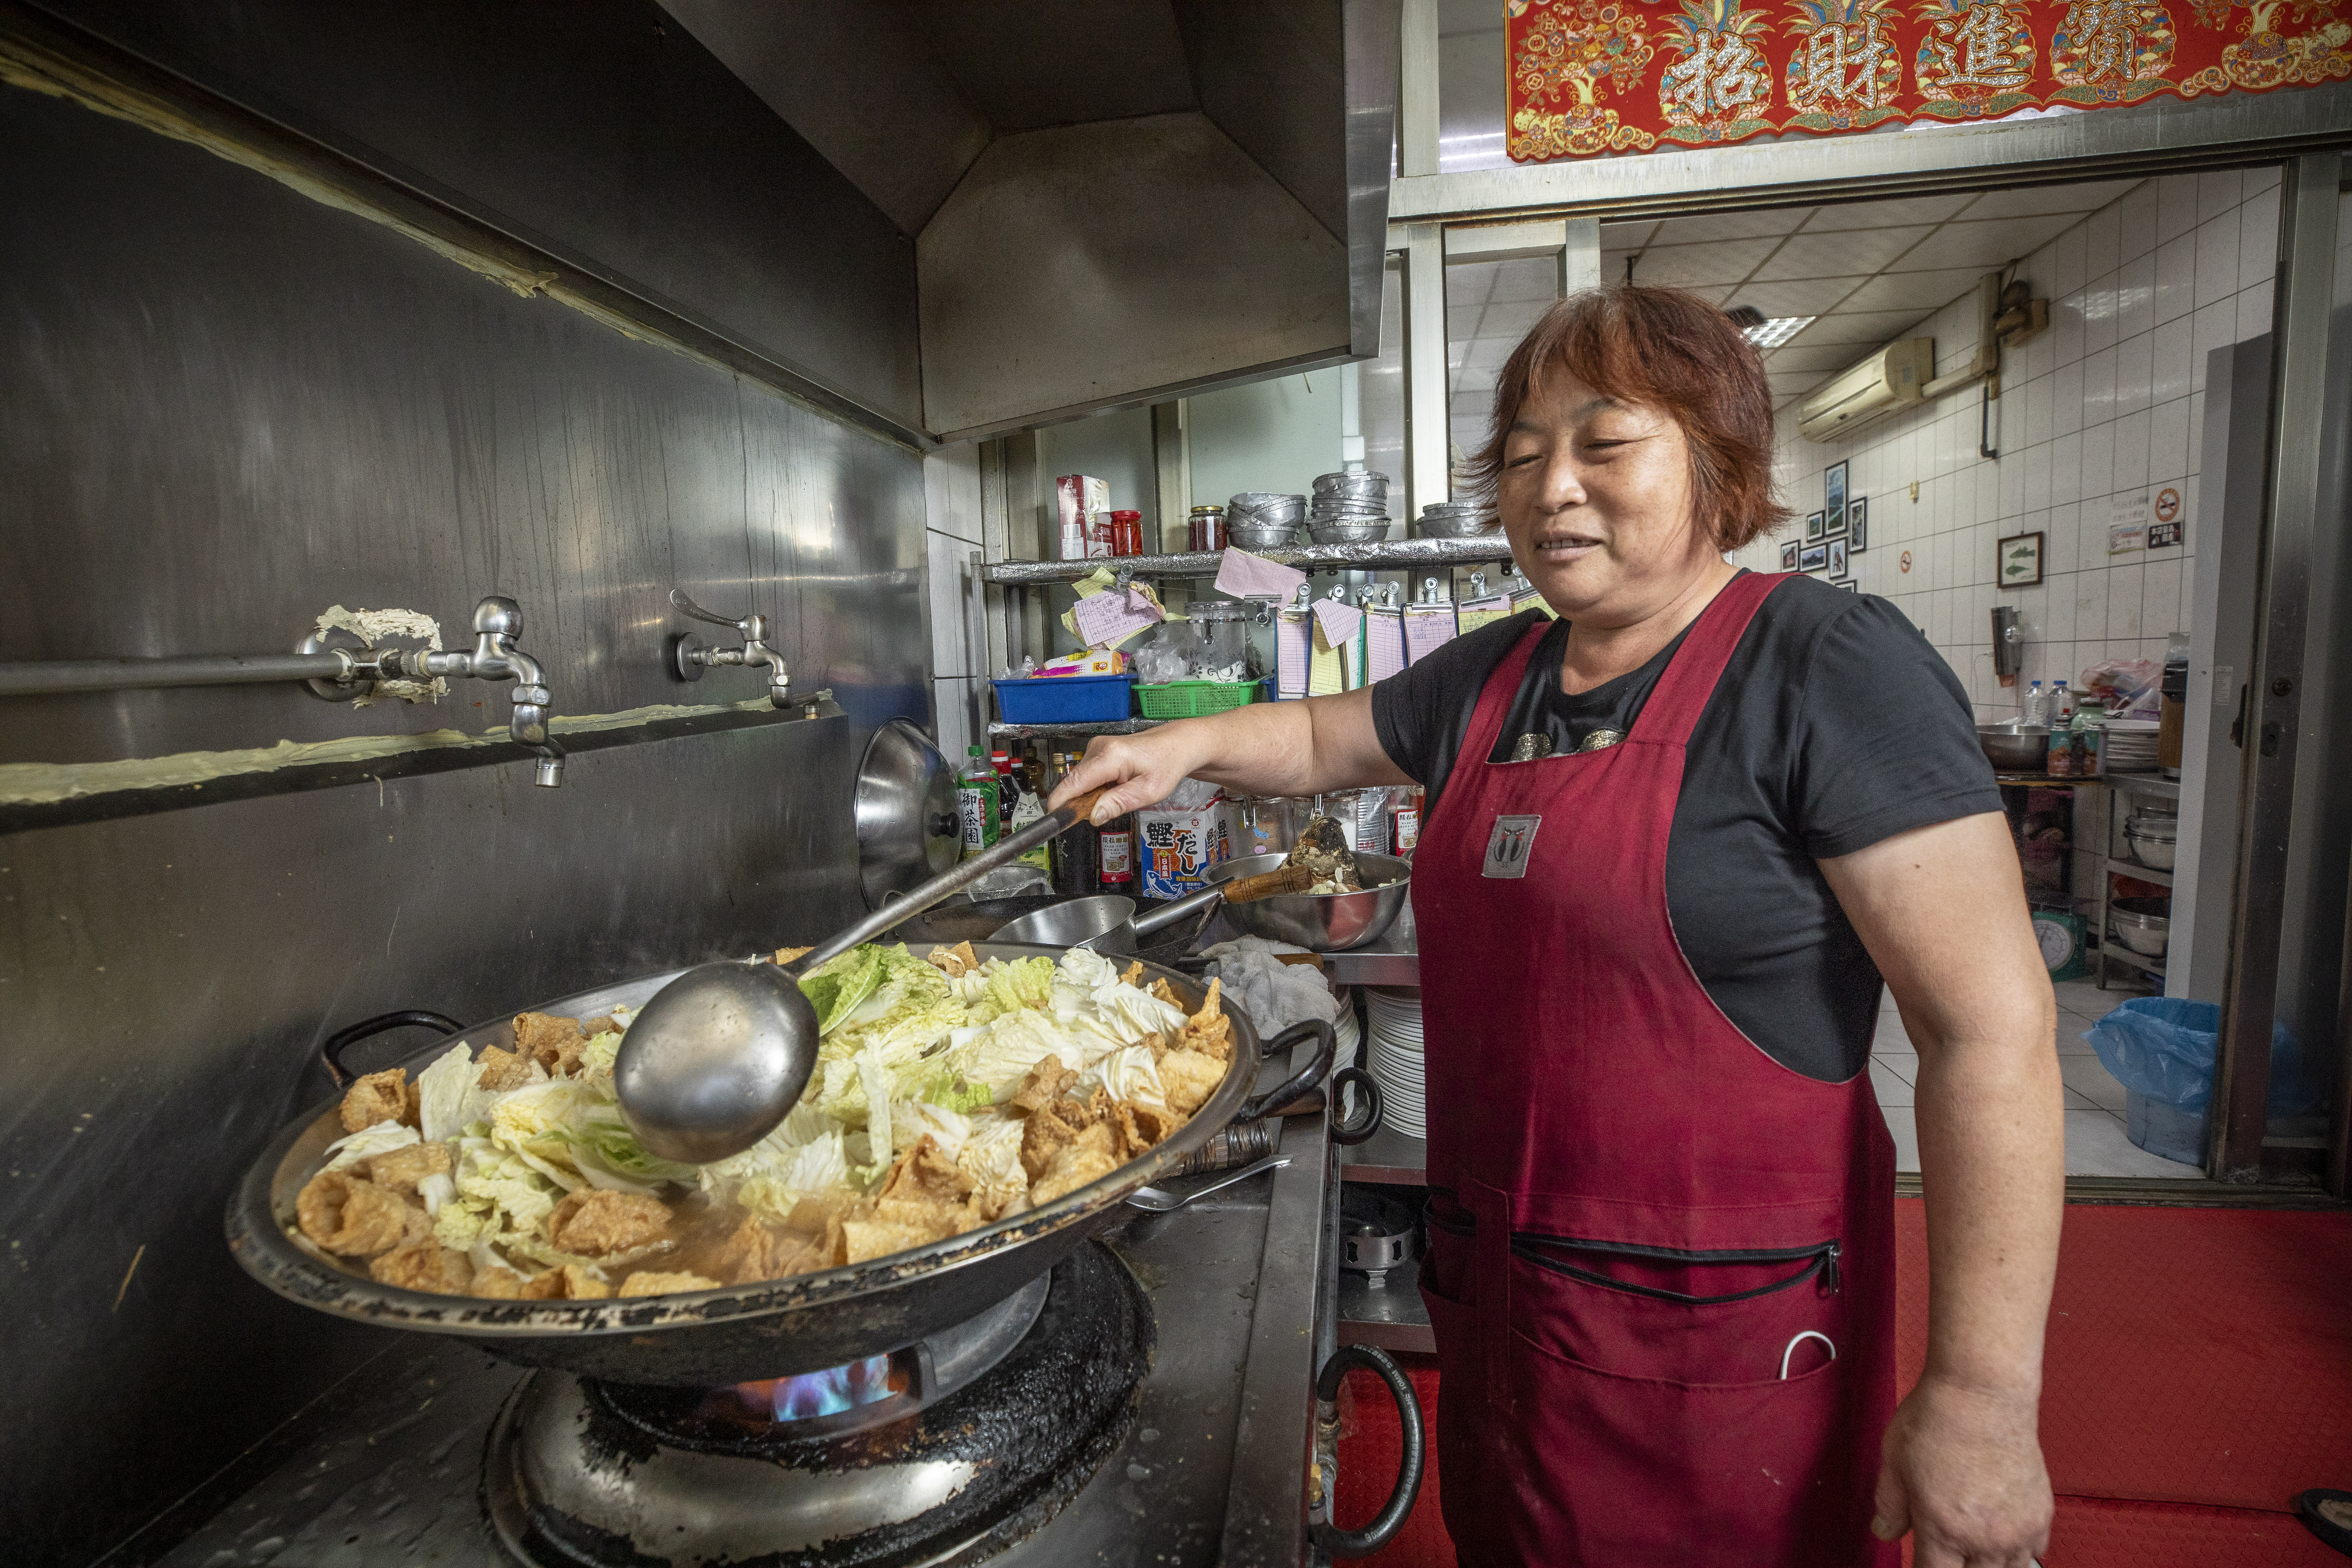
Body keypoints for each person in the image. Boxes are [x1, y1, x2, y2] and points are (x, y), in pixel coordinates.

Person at [1050, 286, 2064, 1566]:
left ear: (1717, 460)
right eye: (1523, 456)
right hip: (1513, 1305)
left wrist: (1981, 1395)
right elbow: (1317, 736)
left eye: (1604, 443)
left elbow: (1992, 1037)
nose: (1551, 488)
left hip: (1717, 1335)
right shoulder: (1500, 671)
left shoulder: (1826, 664)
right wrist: (1175, 744)